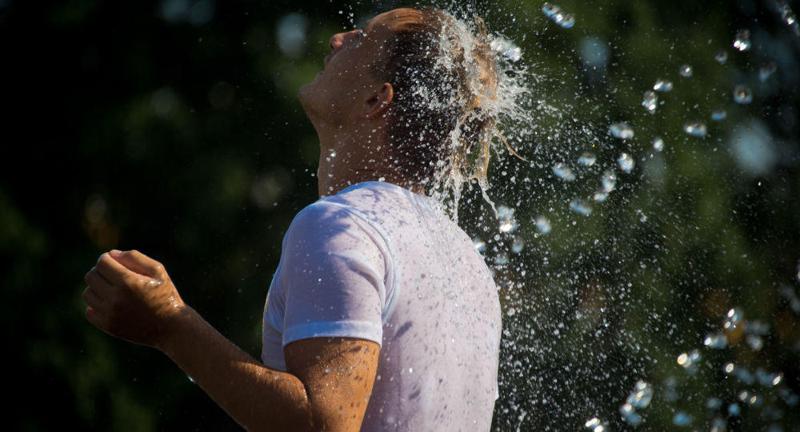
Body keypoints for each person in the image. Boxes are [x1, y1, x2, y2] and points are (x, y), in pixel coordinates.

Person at [82, 6, 502, 431]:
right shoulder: (464, 259)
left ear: (377, 98)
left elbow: (324, 424)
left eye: (361, 38)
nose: (338, 39)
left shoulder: (341, 225)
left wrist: (169, 325)